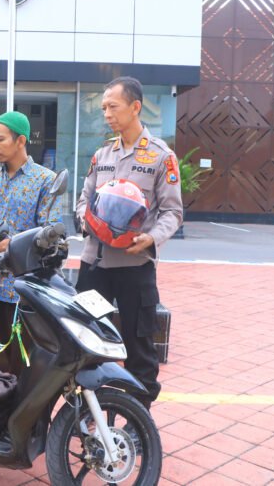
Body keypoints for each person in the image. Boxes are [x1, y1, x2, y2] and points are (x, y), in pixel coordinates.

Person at [75, 76, 183, 410]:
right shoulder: (102, 154)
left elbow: (172, 212)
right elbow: (84, 200)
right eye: (104, 108)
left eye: (113, 107)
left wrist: (152, 238)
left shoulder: (161, 157)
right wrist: (84, 219)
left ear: (135, 107)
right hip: (95, 265)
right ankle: (88, 416)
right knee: (86, 342)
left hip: (135, 267)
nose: (107, 114)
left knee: (140, 349)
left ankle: (139, 421)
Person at [0, 111, 61, 375]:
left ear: (21, 141)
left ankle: (14, 404)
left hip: (17, 289)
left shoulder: (45, 180)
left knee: (18, 363)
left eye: (0, 139)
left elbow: (48, 235)